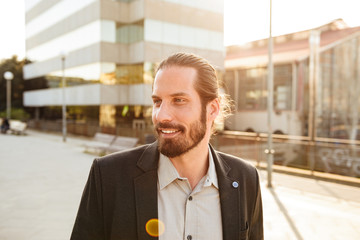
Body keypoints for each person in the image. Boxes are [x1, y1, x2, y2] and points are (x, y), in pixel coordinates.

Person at [71, 53, 263, 240]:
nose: (161, 116)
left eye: (178, 100)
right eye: (157, 101)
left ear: (212, 109)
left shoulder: (246, 179)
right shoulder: (108, 176)